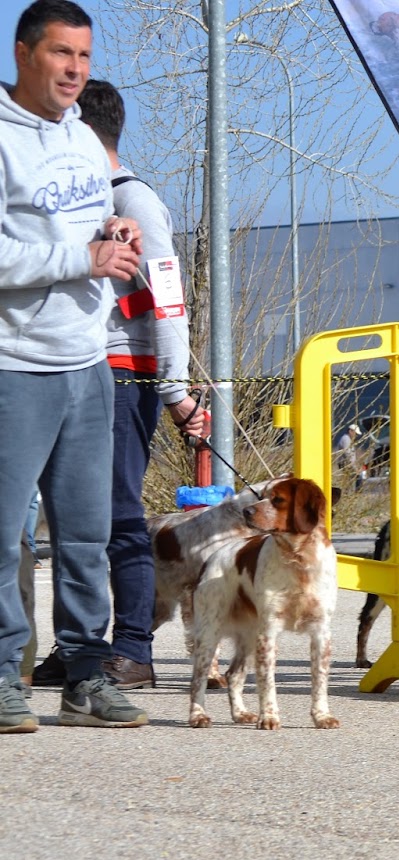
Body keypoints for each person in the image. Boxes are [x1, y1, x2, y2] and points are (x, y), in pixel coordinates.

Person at [26, 79, 207, 692]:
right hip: (77, 368)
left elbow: (169, 302)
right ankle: (80, 646)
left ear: (81, 128)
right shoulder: (83, 203)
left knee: (120, 515)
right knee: (75, 517)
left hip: (126, 376)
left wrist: (175, 389)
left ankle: (134, 649)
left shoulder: (134, 201)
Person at [1, 0, 150, 732]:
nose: (75, 70)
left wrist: (114, 230)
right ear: (24, 52)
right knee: (5, 537)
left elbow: (88, 229)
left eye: (85, 57)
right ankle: (3, 675)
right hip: (13, 364)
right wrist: (80, 257)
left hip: (88, 363)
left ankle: (87, 675)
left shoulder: (85, 140)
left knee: (87, 535)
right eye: (62, 53)